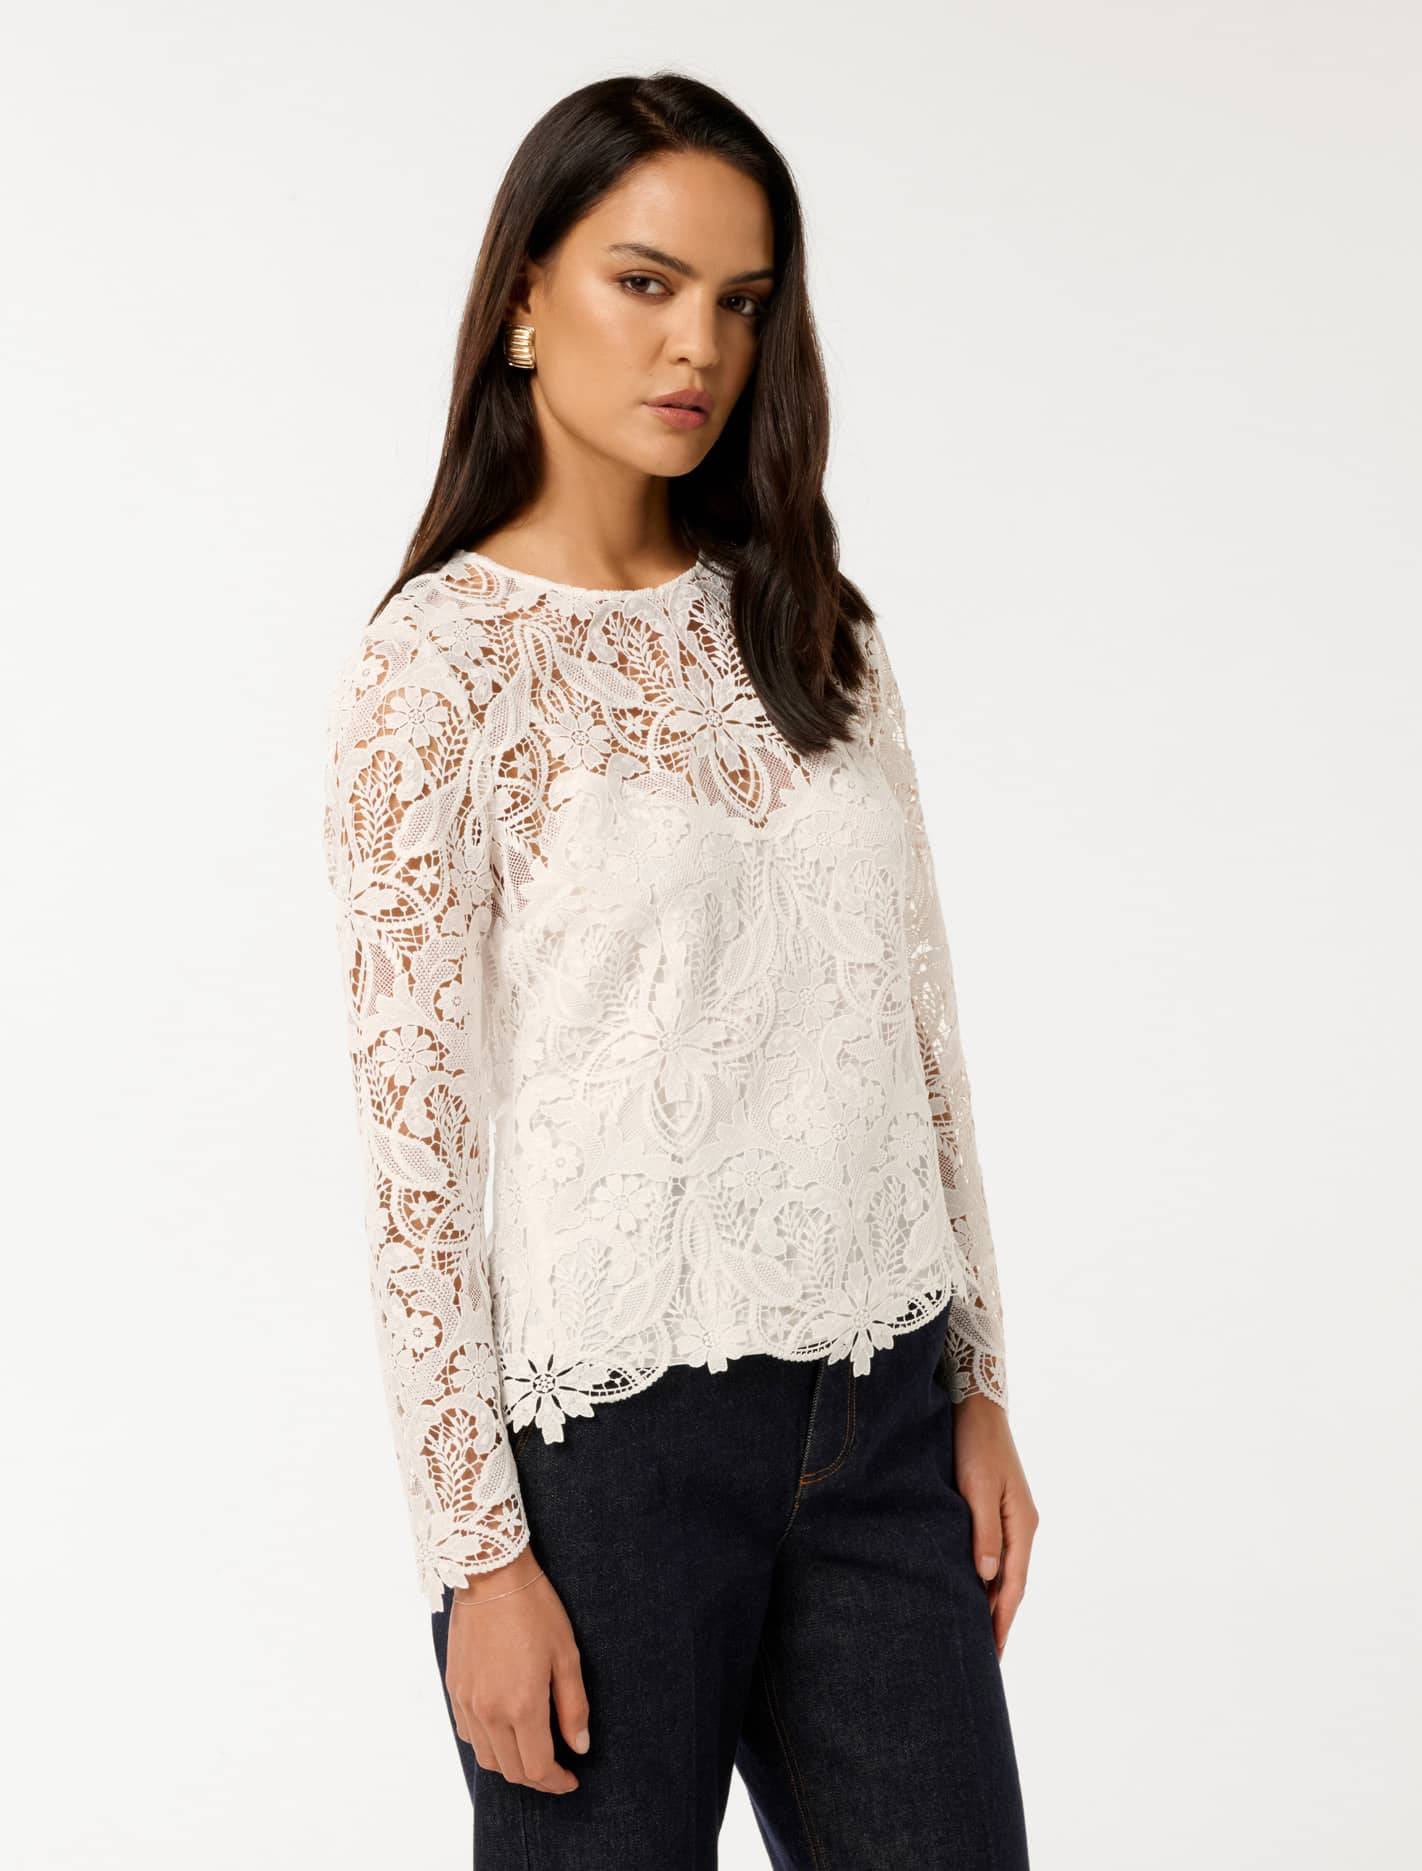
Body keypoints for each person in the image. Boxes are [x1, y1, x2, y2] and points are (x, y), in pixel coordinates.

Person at [322, 68, 1037, 1871]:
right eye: (643, 283)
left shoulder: (813, 623)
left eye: (740, 300)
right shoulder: (441, 667)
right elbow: (416, 1154)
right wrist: (477, 1558)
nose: (696, 346)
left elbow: (918, 1030)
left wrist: (976, 1384)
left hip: (882, 1415)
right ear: (522, 298)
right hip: (608, 1461)